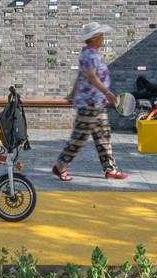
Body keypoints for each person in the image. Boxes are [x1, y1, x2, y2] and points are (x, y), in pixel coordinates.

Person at [53, 21, 129, 181]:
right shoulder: (89, 55)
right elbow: (91, 77)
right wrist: (107, 92)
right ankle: (60, 166)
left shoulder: (92, 54)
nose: (103, 38)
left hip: (97, 104)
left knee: (103, 137)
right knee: (79, 138)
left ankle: (111, 169)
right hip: (89, 104)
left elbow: (80, 77)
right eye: (101, 35)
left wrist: (72, 93)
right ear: (94, 37)